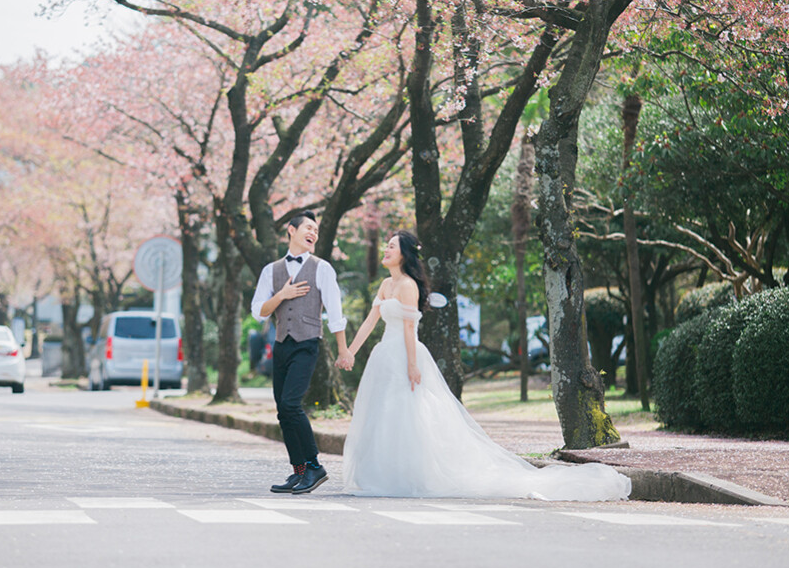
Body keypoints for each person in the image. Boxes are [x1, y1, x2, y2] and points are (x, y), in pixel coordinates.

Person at [334, 230, 631, 501]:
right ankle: (384, 472)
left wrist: (412, 365)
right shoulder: (386, 284)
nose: (385, 250)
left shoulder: (408, 286)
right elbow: (371, 321)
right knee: (384, 413)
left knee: (408, 413)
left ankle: (410, 474)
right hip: (385, 355)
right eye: (385, 245)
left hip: (404, 354)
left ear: (405, 254)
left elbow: (411, 332)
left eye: (391, 246)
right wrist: (350, 352)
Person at [251, 210, 349, 494]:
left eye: (316, 231)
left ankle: (315, 466)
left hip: (307, 343)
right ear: (291, 231)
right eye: (308, 228)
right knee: (283, 411)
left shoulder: (322, 268)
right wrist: (281, 295)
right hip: (282, 344)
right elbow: (258, 312)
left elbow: (336, 312)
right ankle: (299, 471)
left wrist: (343, 350)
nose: (313, 234)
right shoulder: (272, 270)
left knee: (292, 404)